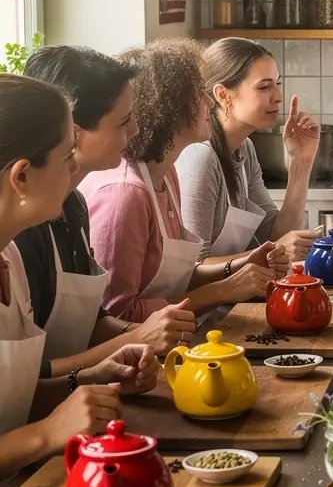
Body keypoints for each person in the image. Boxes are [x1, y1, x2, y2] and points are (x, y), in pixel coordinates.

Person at [0, 74, 158, 479]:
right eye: (66, 156)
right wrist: (46, 434)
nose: (75, 169)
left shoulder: (10, 259)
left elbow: (13, 402)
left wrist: (87, 379)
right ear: (21, 177)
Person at [15, 46, 196, 372]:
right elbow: (32, 374)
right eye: (124, 121)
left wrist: (139, 337)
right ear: (74, 132)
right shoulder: (22, 235)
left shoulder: (73, 206)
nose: (136, 131)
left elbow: (95, 319)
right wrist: (138, 337)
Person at [80, 39, 279, 322]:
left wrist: (240, 264)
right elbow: (118, 315)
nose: (210, 102)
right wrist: (223, 290)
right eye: (199, 94)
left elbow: (179, 276)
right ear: (168, 106)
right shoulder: (125, 193)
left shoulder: (166, 174)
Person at [177, 37, 321, 262]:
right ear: (223, 95)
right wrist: (268, 253)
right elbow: (193, 267)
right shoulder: (200, 157)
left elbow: (276, 234)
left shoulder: (244, 149)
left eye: (277, 84)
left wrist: (301, 162)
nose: (278, 97)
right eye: (264, 87)